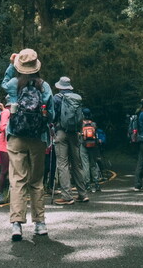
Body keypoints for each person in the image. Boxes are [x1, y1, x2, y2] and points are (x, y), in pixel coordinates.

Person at [2, 49, 54, 241]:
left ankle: (16, 224)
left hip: (15, 135)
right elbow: (52, 113)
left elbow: (3, 83)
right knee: (37, 180)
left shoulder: (14, 83)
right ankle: (40, 223)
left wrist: (10, 64)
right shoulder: (44, 85)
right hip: (38, 137)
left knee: (17, 179)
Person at [51, 76, 88, 205]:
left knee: (63, 164)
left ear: (59, 87)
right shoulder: (76, 98)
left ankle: (67, 196)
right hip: (74, 133)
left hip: (61, 132)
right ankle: (82, 194)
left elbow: (53, 116)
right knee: (77, 164)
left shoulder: (57, 98)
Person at [80, 108, 101, 192]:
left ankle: (87, 185)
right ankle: (97, 183)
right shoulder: (93, 124)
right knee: (93, 164)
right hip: (93, 145)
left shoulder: (80, 124)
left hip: (83, 145)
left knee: (85, 165)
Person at [0, 97, 11, 204]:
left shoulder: (16, 110)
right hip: (5, 144)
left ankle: (12, 194)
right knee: (4, 170)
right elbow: (2, 127)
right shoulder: (6, 111)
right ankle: (0, 195)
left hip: (13, 144)